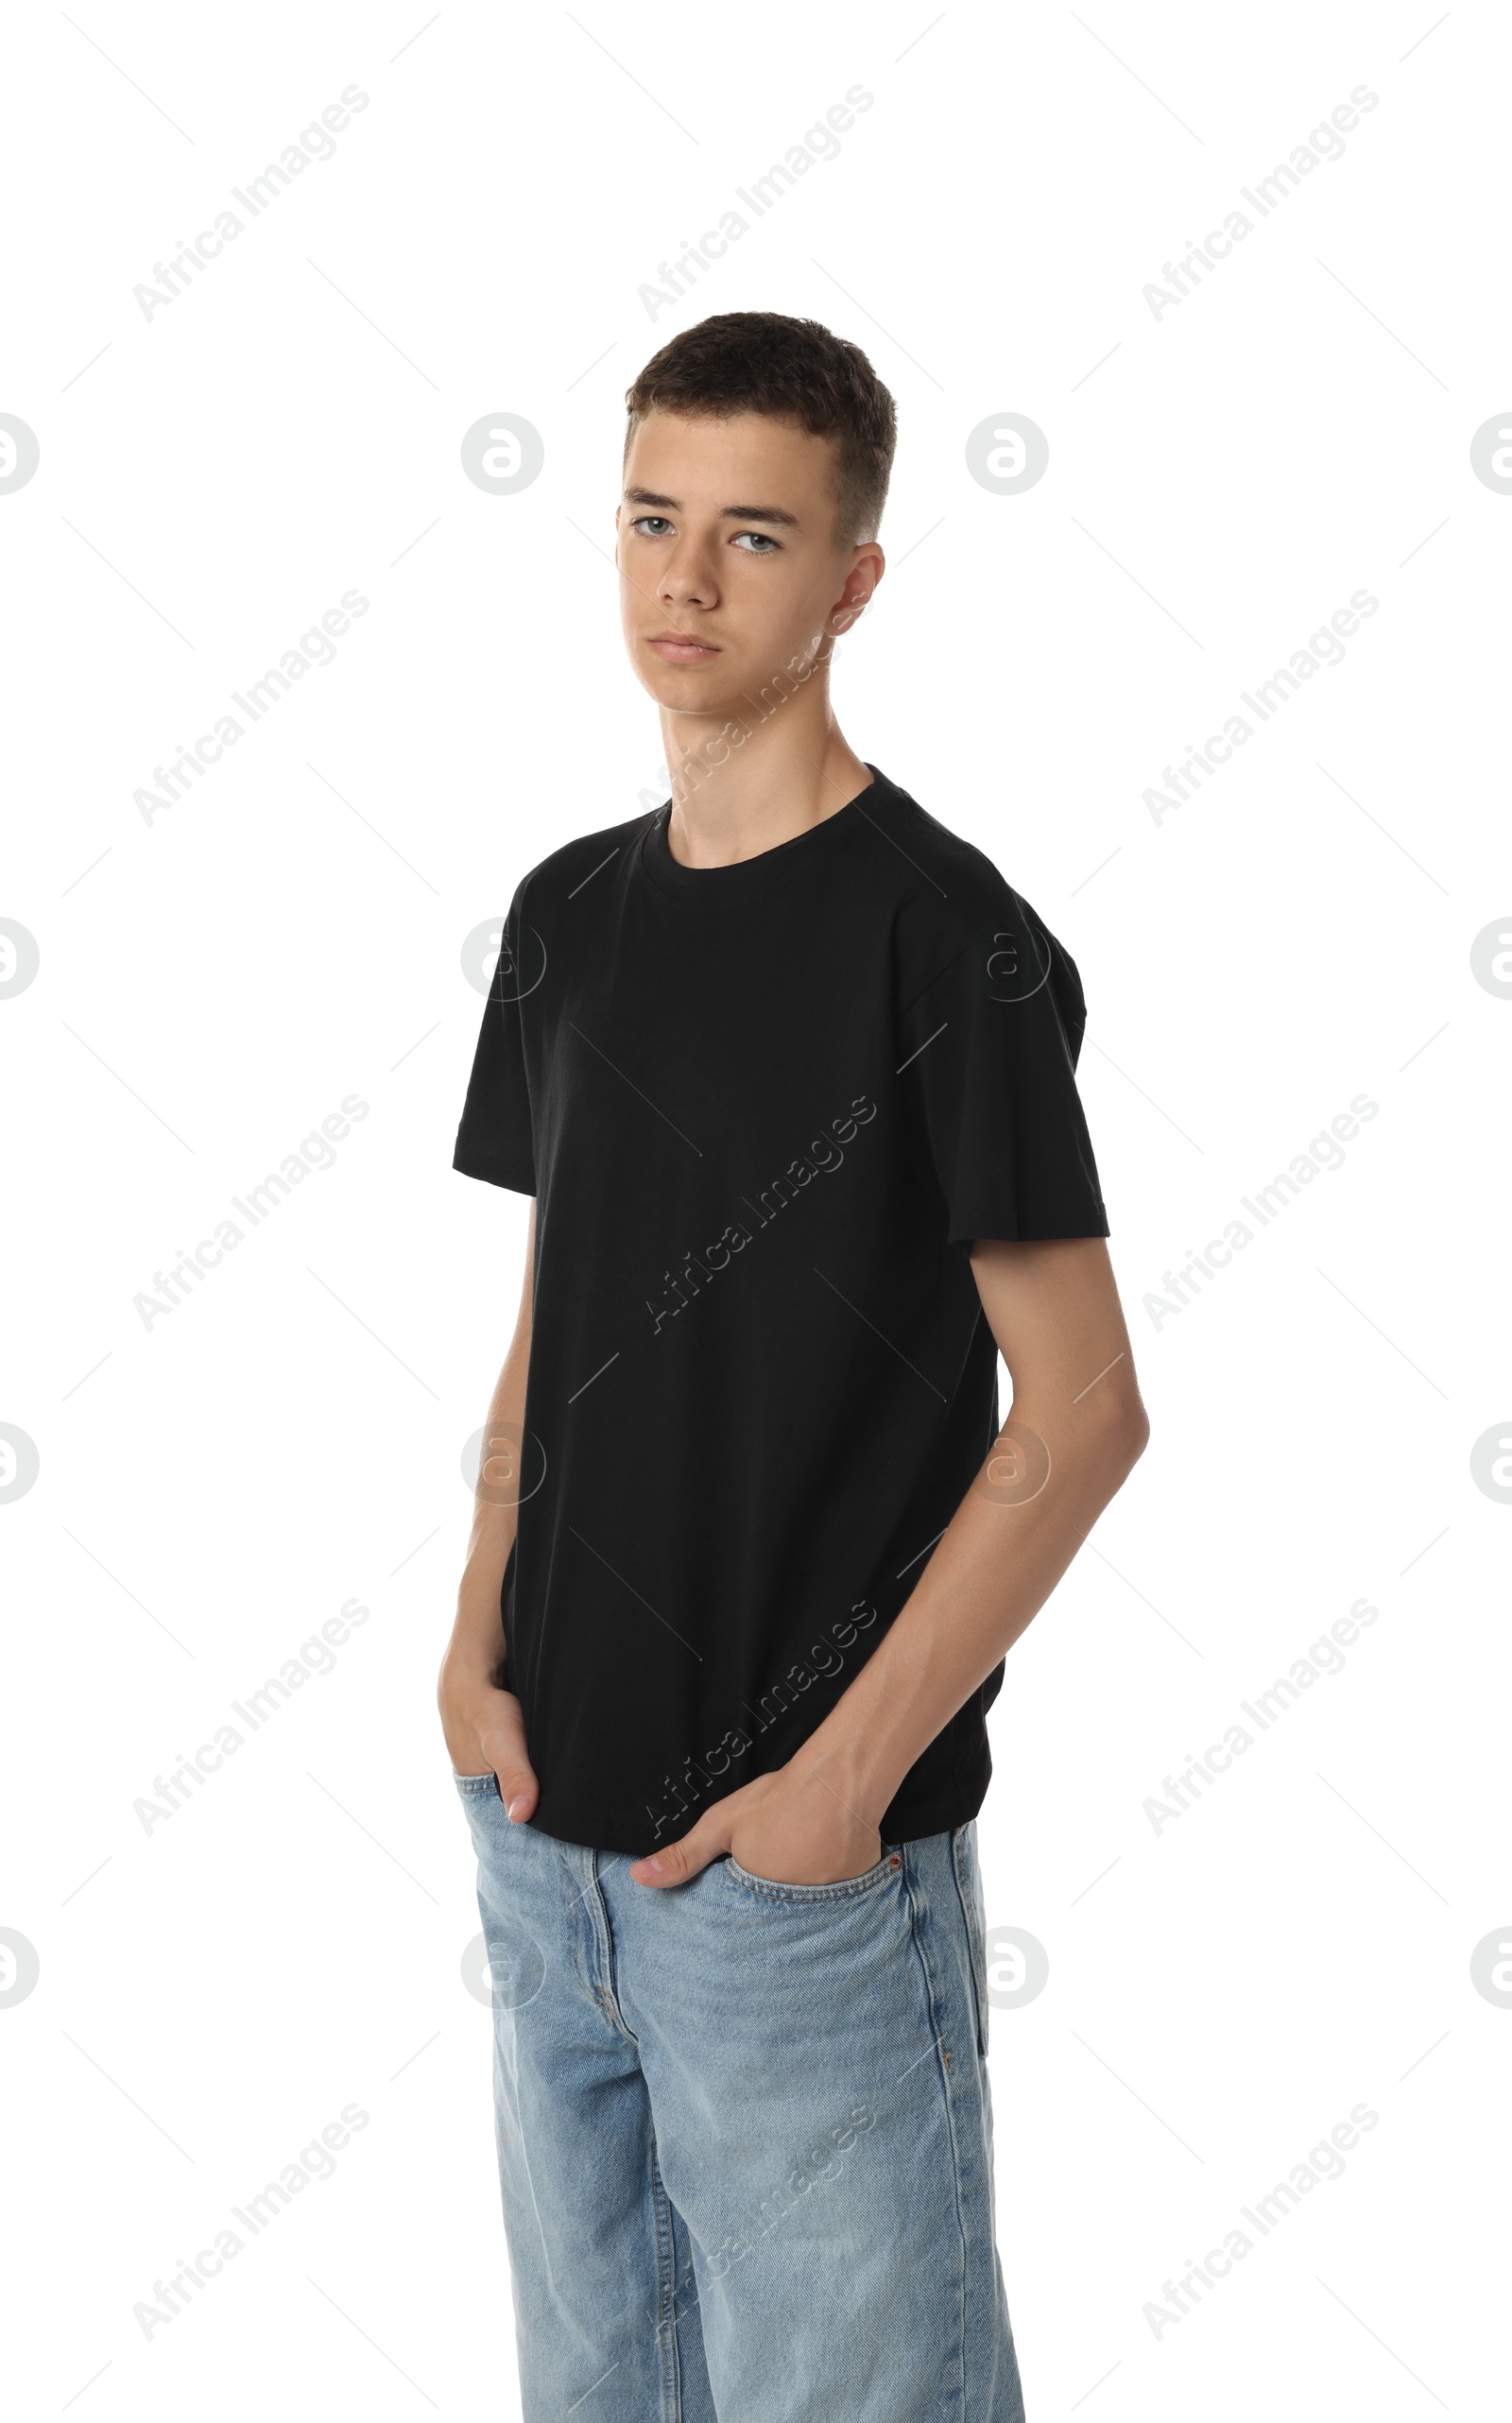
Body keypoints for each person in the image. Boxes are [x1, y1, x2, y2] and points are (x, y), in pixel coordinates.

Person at [439, 309, 1148, 2422]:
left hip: (793, 1881)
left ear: (849, 580)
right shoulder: (566, 915)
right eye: (652, 521)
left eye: (751, 537)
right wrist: (470, 1652)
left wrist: (838, 1786)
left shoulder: (950, 944)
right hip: (539, 1826)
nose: (683, 581)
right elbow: (558, 1318)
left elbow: (1086, 1409)